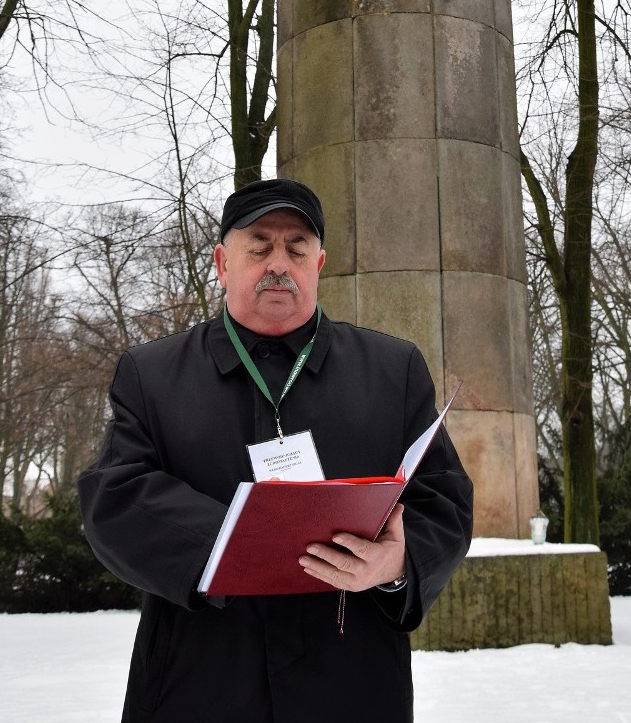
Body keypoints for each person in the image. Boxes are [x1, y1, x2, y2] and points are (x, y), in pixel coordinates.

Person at [79, 177, 473, 723]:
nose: (278, 263)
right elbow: (115, 496)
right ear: (222, 262)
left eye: (297, 248)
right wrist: (236, 546)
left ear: (319, 263)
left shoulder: (392, 370)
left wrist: (398, 561)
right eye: (259, 246)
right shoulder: (152, 374)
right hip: (198, 679)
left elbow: (445, 501)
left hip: (352, 679)